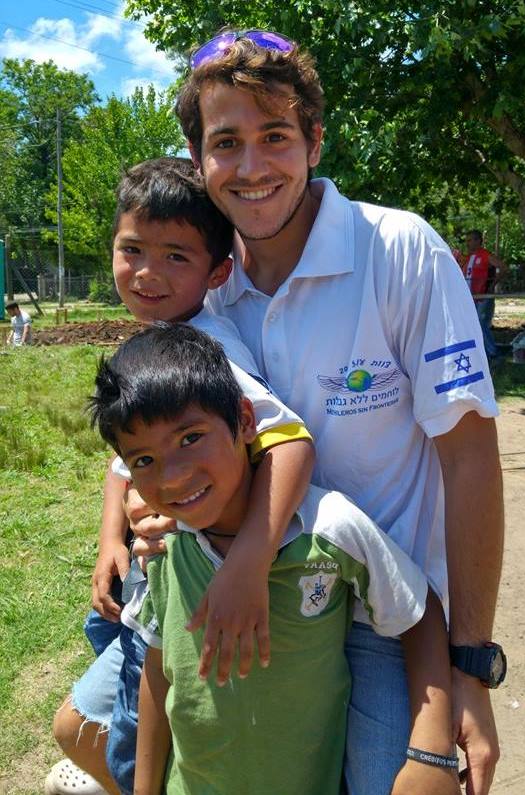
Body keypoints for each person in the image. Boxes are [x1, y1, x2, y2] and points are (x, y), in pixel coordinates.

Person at [166, 29, 504, 795]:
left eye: (275, 135)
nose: (252, 167)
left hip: (391, 626)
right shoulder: (202, 292)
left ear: (315, 140)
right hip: (260, 608)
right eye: (226, 143)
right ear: (197, 158)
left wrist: (471, 664)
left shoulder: (401, 253)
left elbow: (469, 458)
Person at [91, 322, 457, 795]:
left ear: (246, 420)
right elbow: (158, 676)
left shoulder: (328, 530)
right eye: (144, 461)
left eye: (190, 438)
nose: (173, 477)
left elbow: (419, 611)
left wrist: (431, 751)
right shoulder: (161, 545)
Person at [47, 158, 315, 795]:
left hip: (187, 583)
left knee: (141, 735)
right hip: (147, 580)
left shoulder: (206, 350)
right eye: (132, 250)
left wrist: (247, 563)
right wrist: (109, 540)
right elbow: (124, 458)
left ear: (218, 272)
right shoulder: (155, 342)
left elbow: (291, 441)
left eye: (175, 256)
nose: (147, 272)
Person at [459, 229, 506, 360]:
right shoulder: (467, 257)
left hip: (483, 296)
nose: (467, 243)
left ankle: (492, 351)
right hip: (470, 297)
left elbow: (503, 267)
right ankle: (480, 351)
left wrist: (492, 285)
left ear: (478, 241)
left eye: (470, 240)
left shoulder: (486, 255)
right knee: (471, 323)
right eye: (467, 241)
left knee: (480, 322)